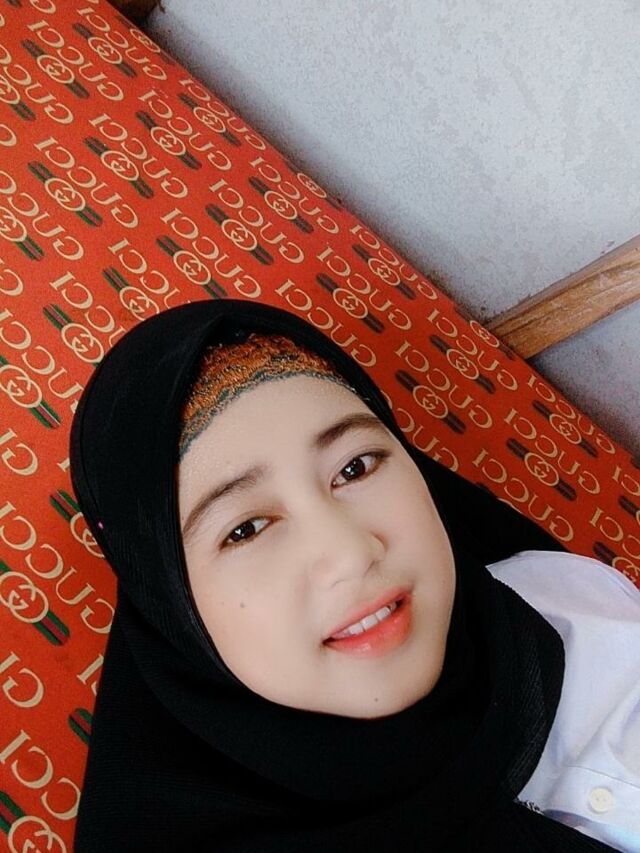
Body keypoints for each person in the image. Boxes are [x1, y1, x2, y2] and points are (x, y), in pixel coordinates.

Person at [69, 298, 639, 852]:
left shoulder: (575, 603)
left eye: (355, 467)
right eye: (246, 529)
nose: (350, 553)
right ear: (172, 611)